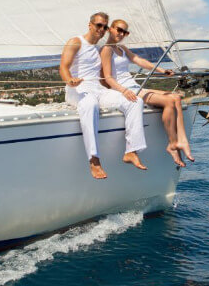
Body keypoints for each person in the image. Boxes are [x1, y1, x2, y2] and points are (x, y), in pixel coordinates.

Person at [60, 12, 147, 179]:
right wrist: (70, 80)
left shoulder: (100, 49)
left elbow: (107, 75)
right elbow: (63, 66)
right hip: (76, 89)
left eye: (105, 26)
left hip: (97, 89)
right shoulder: (76, 42)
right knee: (90, 104)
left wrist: (121, 89)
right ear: (90, 25)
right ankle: (94, 159)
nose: (102, 29)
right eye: (98, 25)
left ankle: (131, 151)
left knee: (135, 101)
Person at [100, 19, 194, 168]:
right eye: (119, 29)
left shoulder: (122, 48)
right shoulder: (106, 49)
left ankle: (181, 140)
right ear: (110, 29)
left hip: (134, 85)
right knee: (168, 101)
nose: (121, 33)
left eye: (125, 32)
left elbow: (139, 60)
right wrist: (124, 91)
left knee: (176, 97)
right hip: (126, 89)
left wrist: (161, 71)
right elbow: (108, 78)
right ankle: (172, 143)